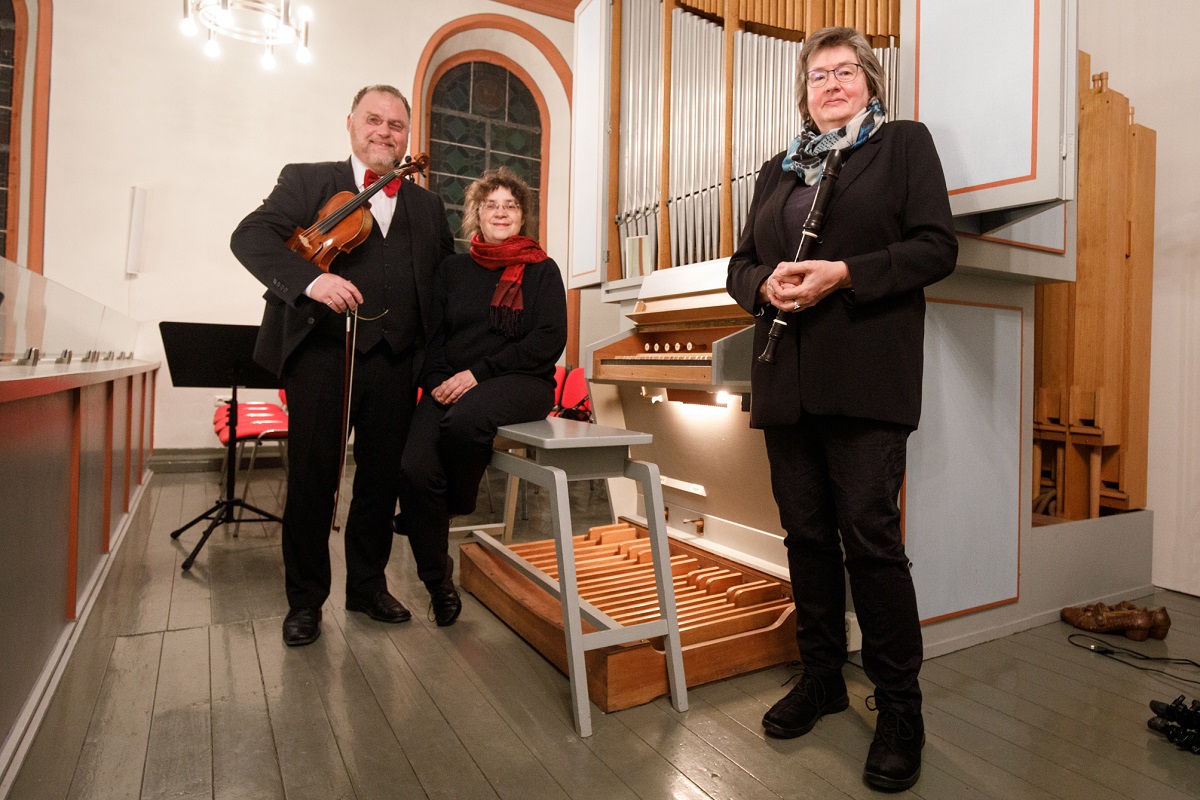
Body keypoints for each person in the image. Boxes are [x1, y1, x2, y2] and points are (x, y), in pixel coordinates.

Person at [725, 27, 957, 791]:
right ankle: (822, 676)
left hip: (866, 374)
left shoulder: (903, 146)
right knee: (806, 537)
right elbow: (739, 264)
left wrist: (843, 274)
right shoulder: (775, 172)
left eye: (845, 71)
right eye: (818, 74)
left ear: (871, 82)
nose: (831, 82)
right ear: (804, 92)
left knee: (871, 541)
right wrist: (762, 285)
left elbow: (935, 248)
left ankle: (899, 707)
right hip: (785, 378)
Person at [231, 85, 454, 647]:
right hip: (324, 357)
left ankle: (367, 586)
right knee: (313, 479)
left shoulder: (426, 205)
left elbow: (444, 282)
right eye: (373, 120)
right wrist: (312, 280)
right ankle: (306, 599)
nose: (385, 132)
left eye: (397, 124)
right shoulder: (308, 180)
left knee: (380, 483)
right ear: (350, 123)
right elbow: (250, 237)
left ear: (408, 134)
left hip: (396, 363)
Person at [395, 166, 567, 626]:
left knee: (466, 422)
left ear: (522, 215)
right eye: (491, 204)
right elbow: (434, 337)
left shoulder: (542, 270)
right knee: (413, 471)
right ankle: (439, 583)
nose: (501, 212)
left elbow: (547, 340)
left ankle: (455, 501)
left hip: (522, 380)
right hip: (453, 382)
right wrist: (435, 382)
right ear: (476, 213)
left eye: (510, 205)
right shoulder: (452, 269)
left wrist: (476, 374)